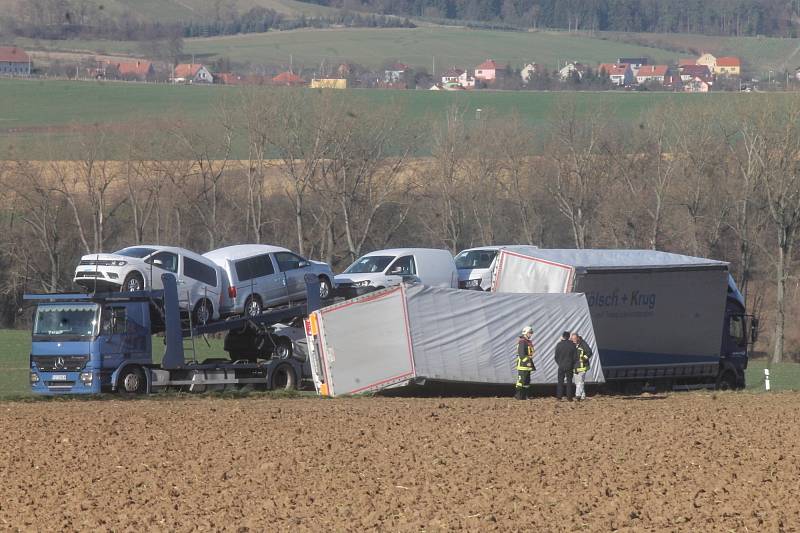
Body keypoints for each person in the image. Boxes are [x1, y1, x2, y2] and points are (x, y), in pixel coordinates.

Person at [554, 331, 578, 401]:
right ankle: (569, 398)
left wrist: (559, 363)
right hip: (569, 366)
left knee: (560, 381)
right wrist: (572, 364)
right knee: (569, 382)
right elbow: (575, 357)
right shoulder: (572, 345)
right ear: (569, 337)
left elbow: (556, 357)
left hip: (561, 366)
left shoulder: (559, 344)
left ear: (563, 336)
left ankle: (559, 397)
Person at [514, 326, 535, 400]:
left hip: (528, 364)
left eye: (531, 333)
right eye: (529, 333)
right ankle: (518, 396)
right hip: (523, 364)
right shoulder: (522, 341)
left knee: (527, 381)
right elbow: (521, 354)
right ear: (525, 333)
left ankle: (525, 395)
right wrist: (527, 361)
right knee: (521, 381)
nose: (531, 334)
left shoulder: (527, 341)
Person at [572, 333, 592, 401]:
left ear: (578, 338)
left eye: (574, 339)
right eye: (572, 339)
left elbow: (589, 352)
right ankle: (583, 396)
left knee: (580, 382)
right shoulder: (572, 344)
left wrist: (583, 358)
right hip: (575, 367)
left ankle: (578, 395)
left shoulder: (583, 344)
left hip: (582, 366)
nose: (573, 340)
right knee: (577, 382)